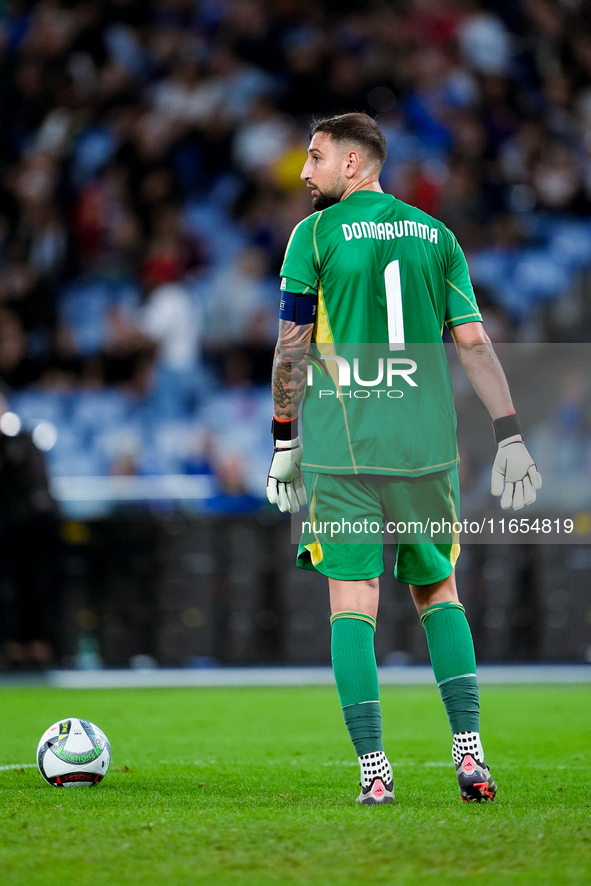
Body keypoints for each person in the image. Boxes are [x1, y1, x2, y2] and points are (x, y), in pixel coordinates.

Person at [266, 113, 541, 805]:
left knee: (351, 606)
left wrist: (282, 440)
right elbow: (474, 344)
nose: (304, 172)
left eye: (316, 157)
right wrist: (509, 434)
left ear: (353, 164)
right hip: (422, 447)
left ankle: (374, 774)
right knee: (437, 593)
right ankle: (470, 759)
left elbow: (292, 344)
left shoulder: (313, 235)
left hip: (343, 447)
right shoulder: (437, 235)